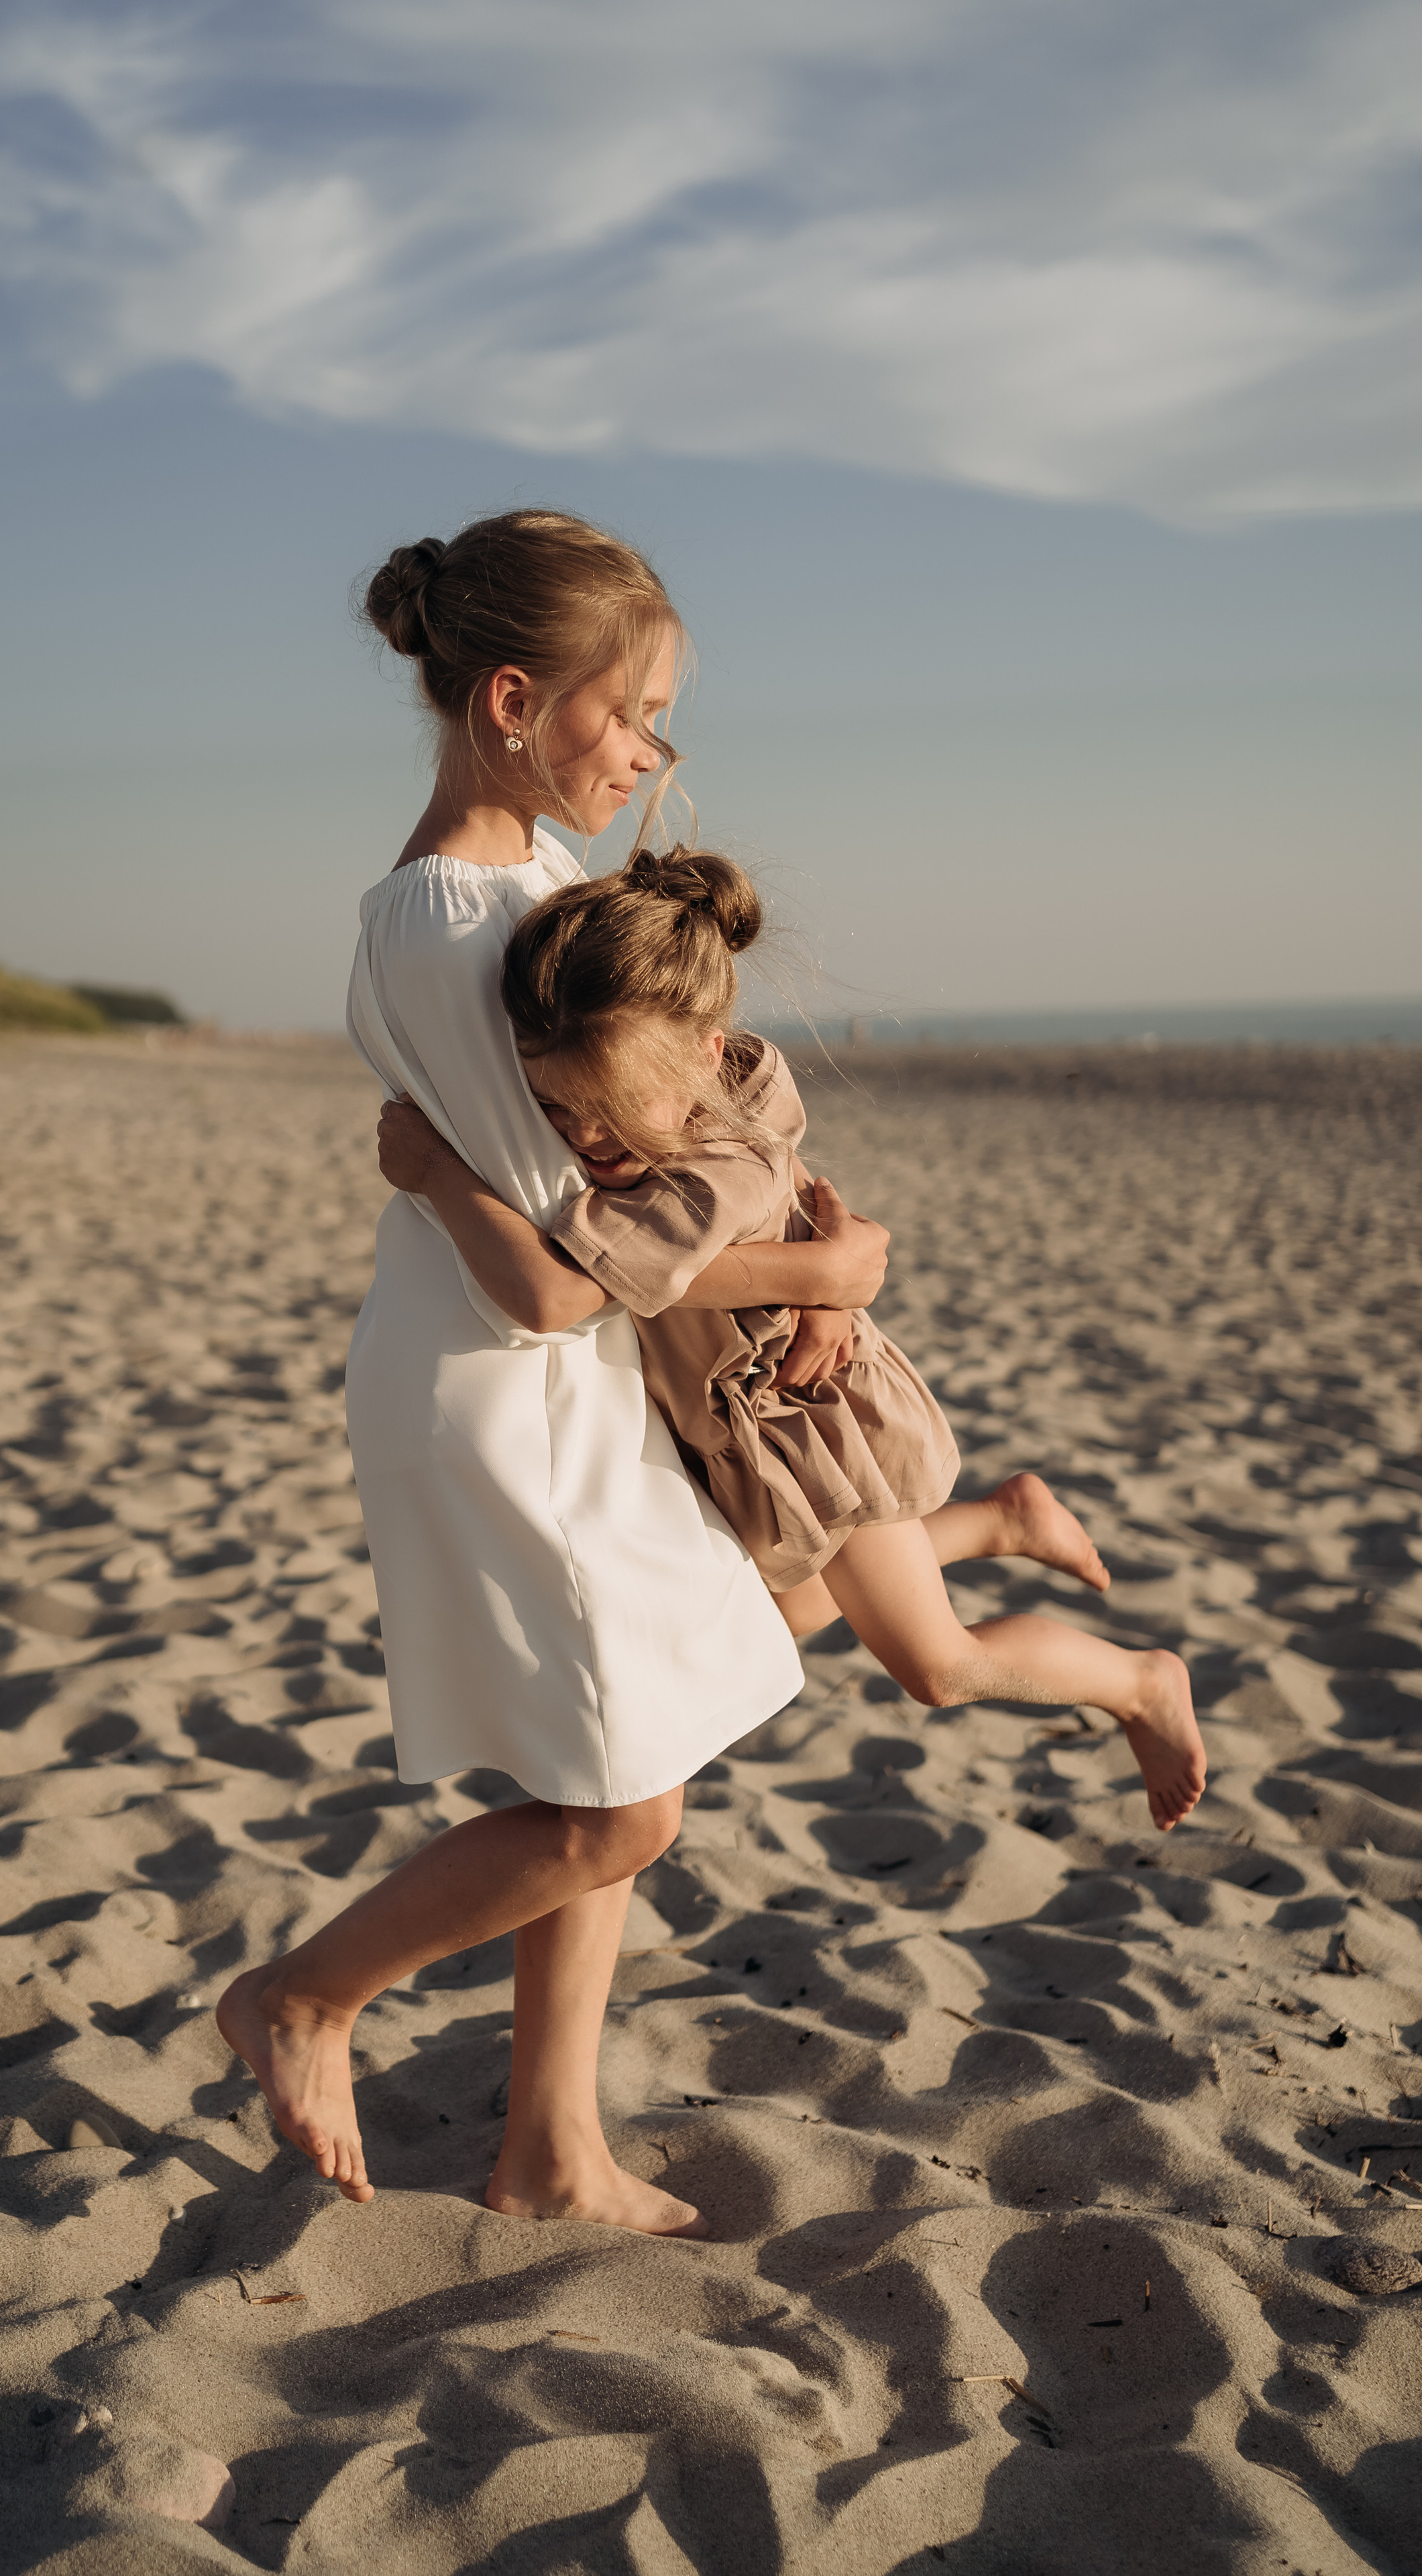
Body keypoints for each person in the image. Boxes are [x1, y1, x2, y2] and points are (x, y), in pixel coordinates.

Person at [217, 511, 891, 2233]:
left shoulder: (529, 897)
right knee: (618, 1814)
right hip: (503, 1379)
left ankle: (549, 2151)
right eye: (631, 712)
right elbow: (556, 1262)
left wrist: (816, 1216)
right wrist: (816, 1268)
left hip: (557, 1373)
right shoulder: (449, 921)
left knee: (605, 1758)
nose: (654, 755)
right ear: (512, 700)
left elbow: (656, 1171)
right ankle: (304, 1995)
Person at [376, 845, 1209, 1836]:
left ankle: (1140, 1681)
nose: (584, 1139)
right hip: (752, 1436)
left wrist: (439, 1174)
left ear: (700, 1049)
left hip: (808, 1425)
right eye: (554, 1109)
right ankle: (999, 1523)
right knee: (790, 1618)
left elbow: (555, 1292)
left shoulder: (701, 1180)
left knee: (936, 1665)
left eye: (610, 1110)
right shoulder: (725, 1080)